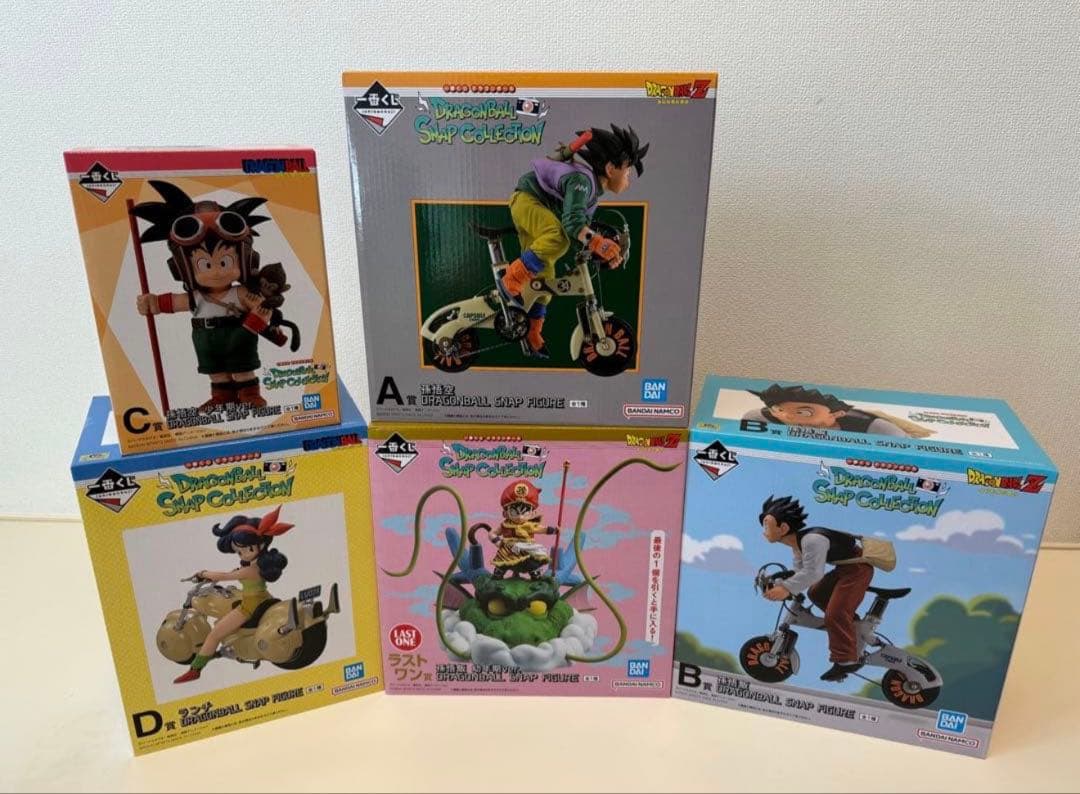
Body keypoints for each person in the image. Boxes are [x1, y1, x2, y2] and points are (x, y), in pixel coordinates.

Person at [499, 124, 649, 357]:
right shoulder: (582, 182)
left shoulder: (592, 192)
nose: (628, 179)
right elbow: (572, 224)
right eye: (627, 172)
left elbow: (581, 232)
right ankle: (511, 279)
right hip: (528, 200)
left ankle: (531, 332)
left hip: (538, 209)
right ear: (611, 169)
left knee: (543, 283)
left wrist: (602, 252)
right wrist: (599, 243)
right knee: (558, 239)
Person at [132, 180, 279, 410]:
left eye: (225, 262)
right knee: (215, 371)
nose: (216, 271)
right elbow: (175, 302)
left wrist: (260, 316)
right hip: (204, 337)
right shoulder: (195, 297)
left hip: (239, 334)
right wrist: (153, 303)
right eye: (205, 265)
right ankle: (222, 397)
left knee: (242, 369)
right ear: (181, 268)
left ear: (245, 259)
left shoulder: (240, 292)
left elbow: (263, 309)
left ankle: (249, 395)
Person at [757, 495, 874, 681]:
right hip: (845, 568)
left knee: (835, 614)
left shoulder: (812, 540)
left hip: (858, 569)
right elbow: (800, 571)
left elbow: (813, 573)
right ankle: (852, 627)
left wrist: (786, 588)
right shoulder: (797, 544)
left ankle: (846, 661)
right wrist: (781, 581)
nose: (764, 531)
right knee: (816, 593)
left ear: (783, 528)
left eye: (766, 525)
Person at [173, 507, 293, 684]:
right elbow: (234, 573)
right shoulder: (256, 565)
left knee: (214, 634)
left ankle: (195, 670)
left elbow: (226, 576)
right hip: (264, 598)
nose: (242, 554)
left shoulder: (251, 570)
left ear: (261, 545)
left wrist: (204, 573)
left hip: (249, 606)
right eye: (239, 551)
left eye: (247, 549)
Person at [744, 384, 933, 438]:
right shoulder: (759, 418)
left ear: (836, 414)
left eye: (805, 413)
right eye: (778, 410)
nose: (788, 416)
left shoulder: (874, 428)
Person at [489, 480, 557, 579]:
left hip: (526, 549)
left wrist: (554, 530)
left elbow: (542, 529)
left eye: (524, 512)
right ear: (506, 513)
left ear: (533, 513)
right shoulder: (505, 525)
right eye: (514, 512)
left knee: (531, 563)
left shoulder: (529, 525)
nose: (520, 517)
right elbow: (492, 533)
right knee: (502, 563)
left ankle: (535, 574)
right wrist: (498, 542)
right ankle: (498, 574)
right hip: (507, 550)